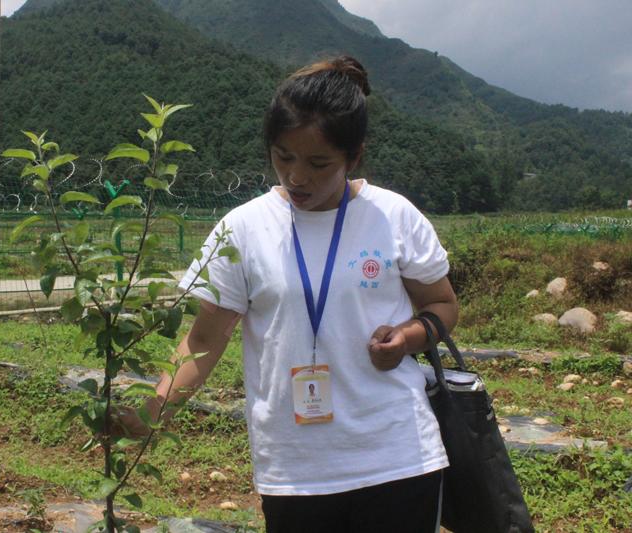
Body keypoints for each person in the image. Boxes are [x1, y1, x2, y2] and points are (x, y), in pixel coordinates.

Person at [122, 55, 458, 532]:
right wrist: (153, 412)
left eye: (319, 163)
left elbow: (443, 305)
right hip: (295, 468)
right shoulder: (242, 229)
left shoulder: (393, 215)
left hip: (397, 454)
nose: (298, 177)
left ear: (353, 156)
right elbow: (203, 341)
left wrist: (408, 338)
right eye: (284, 157)